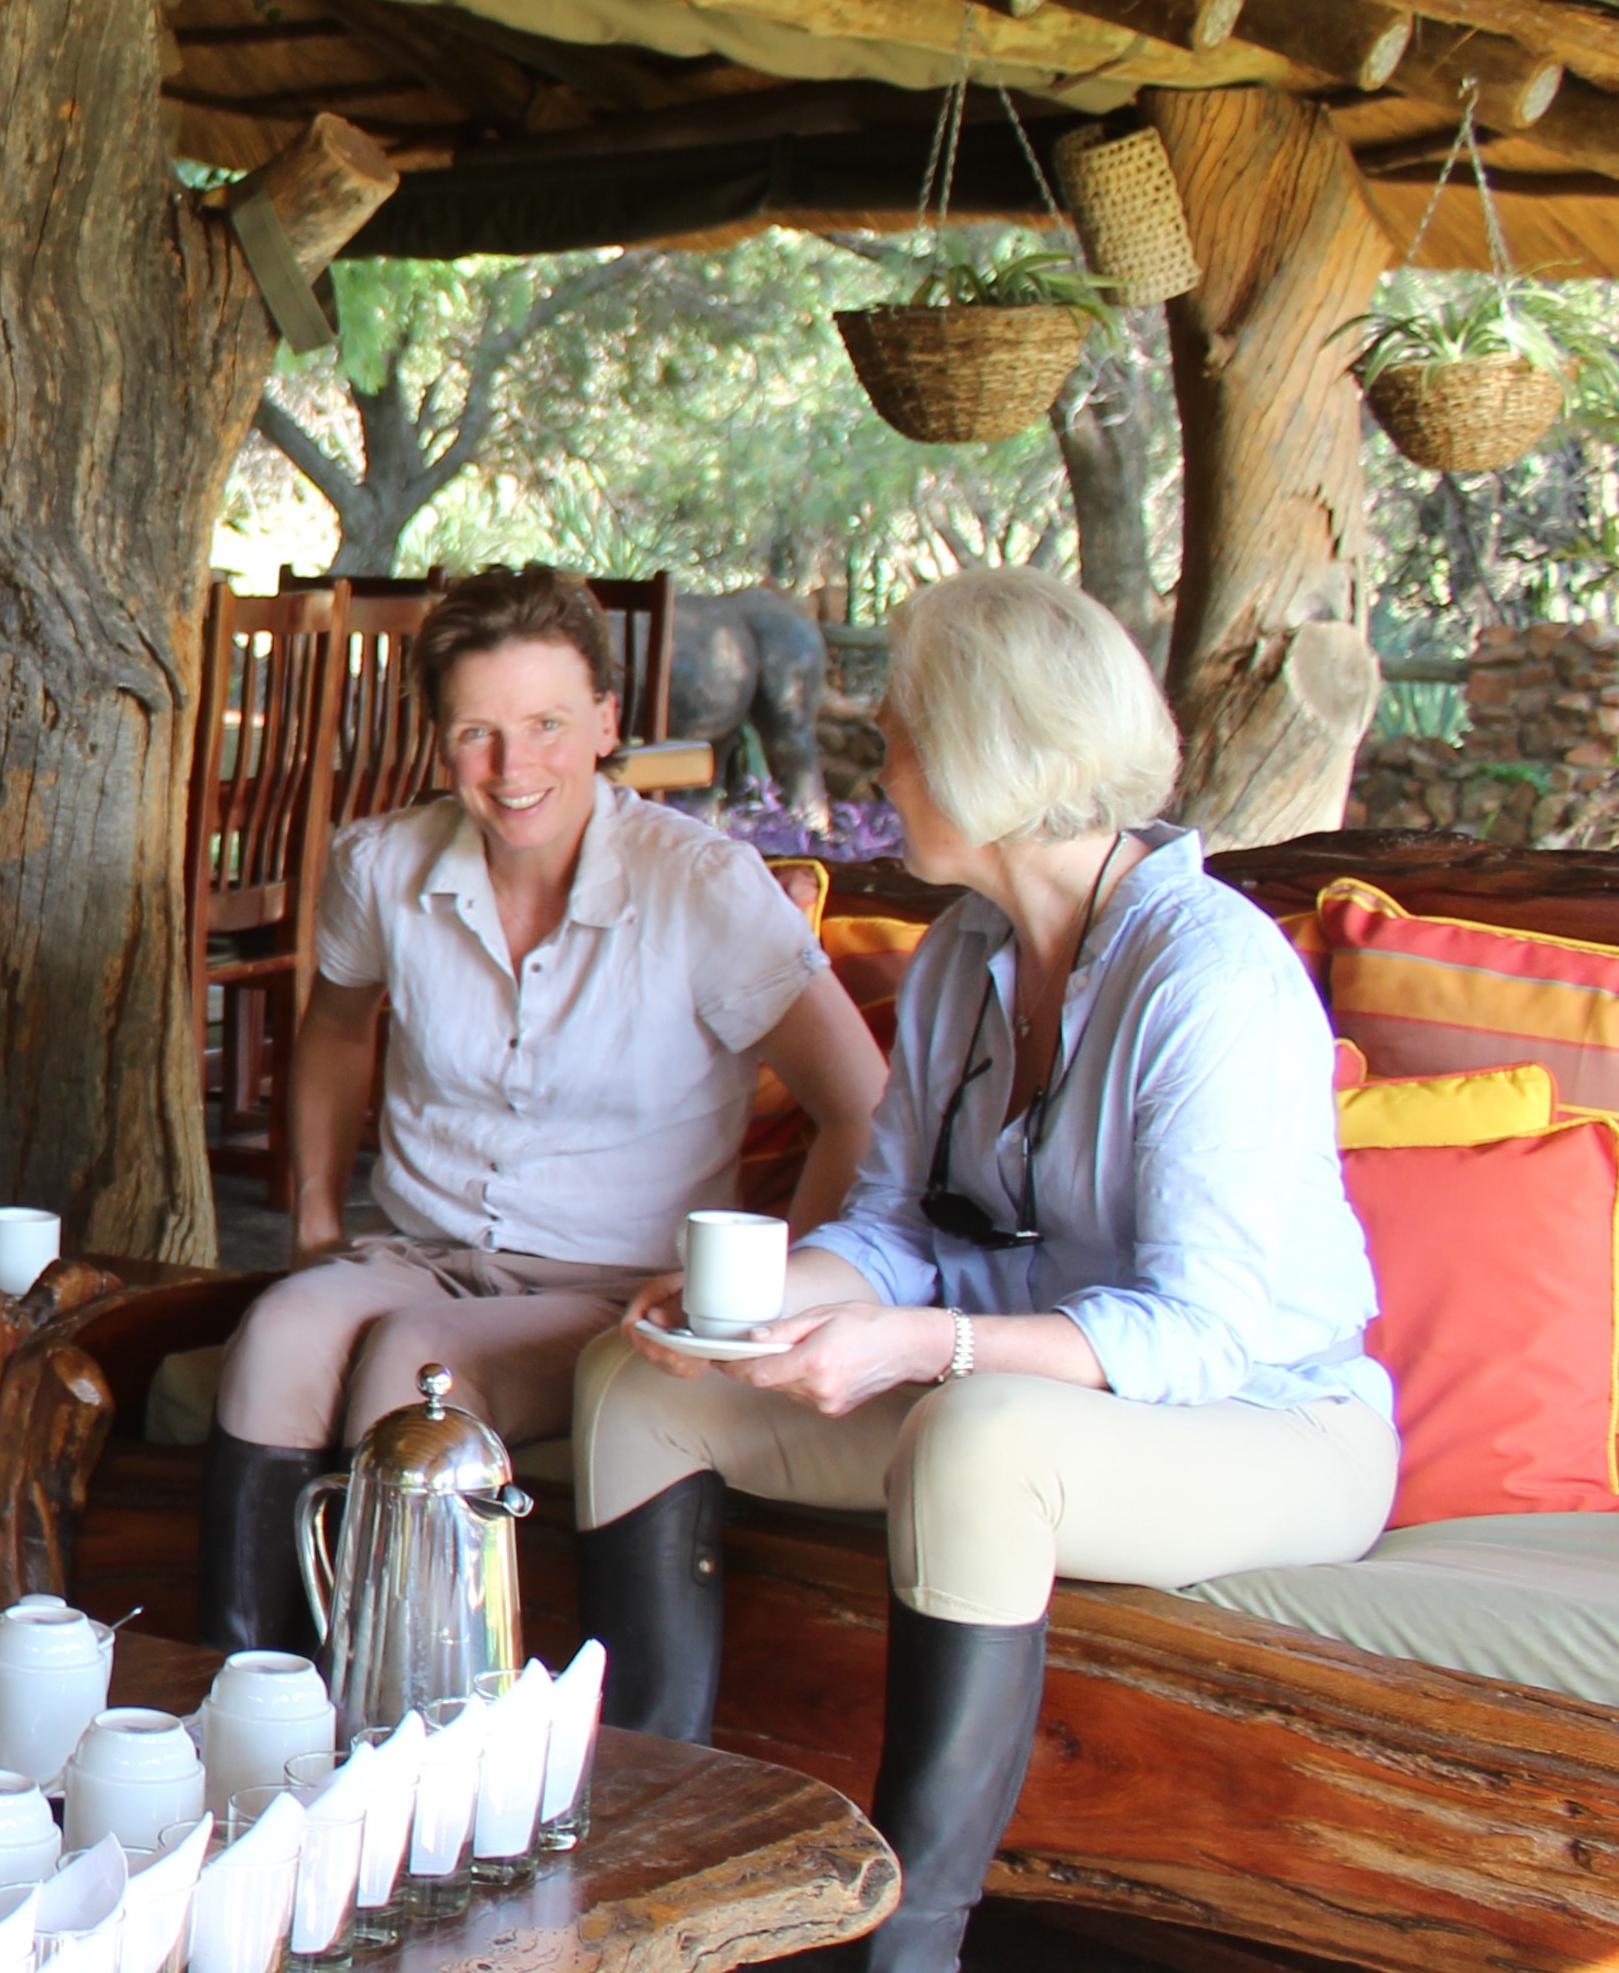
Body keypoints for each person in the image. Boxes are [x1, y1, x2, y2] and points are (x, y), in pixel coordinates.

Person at [570, 567, 1394, 1972]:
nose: (876, 763)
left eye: (899, 736)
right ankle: (654, 1891)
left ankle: (908, 1947)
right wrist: (758, 1306)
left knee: (978, 1434)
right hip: (1020, 1392)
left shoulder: (1211, 976)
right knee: (637, 1385)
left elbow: (1200, 1333)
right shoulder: (964, 954)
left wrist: (920, 1344)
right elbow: (896, 1223)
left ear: (987, 756)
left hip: (1271, 1420)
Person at [202, 565, 885, 1655]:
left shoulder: (700, 886)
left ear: (606, 722)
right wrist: (318, 1218)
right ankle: (246, 1692)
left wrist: (764, 1303)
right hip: (423, 1250)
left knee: (418, 1363)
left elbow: (858, 1107)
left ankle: (393, 1714)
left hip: (617, 1283)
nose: (512, 768)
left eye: (546, 725)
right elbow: (332, 1031)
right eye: (477, 733)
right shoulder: (382, 864)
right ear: (439, 740)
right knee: (278, 1331)